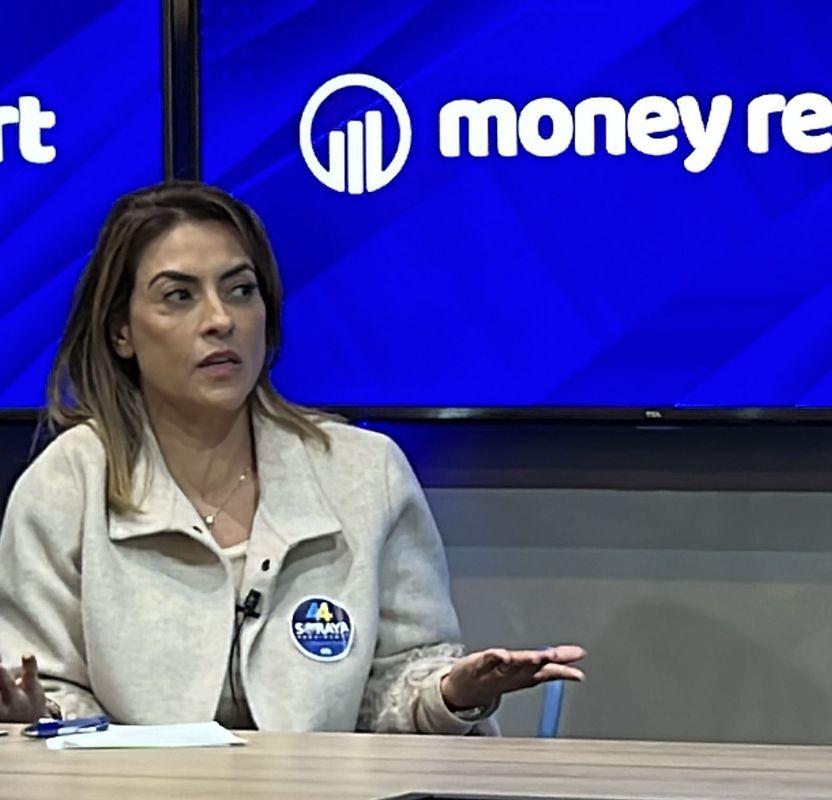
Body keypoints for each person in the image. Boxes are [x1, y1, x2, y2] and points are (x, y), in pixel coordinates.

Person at [0, 182, 584, 733]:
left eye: (241, 290)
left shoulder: (365, 472)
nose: (220, 320)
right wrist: (39, 712)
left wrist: (451, 693)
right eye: (179, 296)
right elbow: (48, 686)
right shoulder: (68, 484)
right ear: (121, 332)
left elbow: (401, 681)